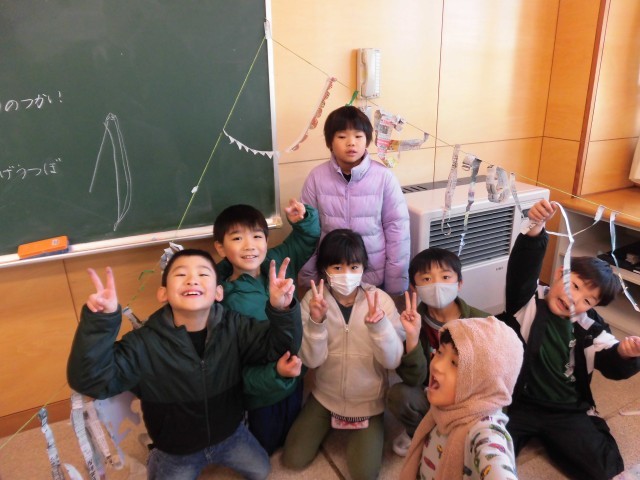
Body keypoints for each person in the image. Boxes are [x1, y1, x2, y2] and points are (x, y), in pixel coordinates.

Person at [67, 249, 302, 480]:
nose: (192, 280)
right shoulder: (144, 343)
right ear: (163, 294)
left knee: (262, 470)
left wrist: (281, 309)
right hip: (176, 450)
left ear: (218, 292)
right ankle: (155, 454)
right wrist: (100, 322)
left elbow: (280, 347)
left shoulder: (235, 327)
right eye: (181, 274)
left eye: (203, 274)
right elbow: (91, 381)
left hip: (231, 434)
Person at [500, 199, 640, 480]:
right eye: (573, 285)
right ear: (559, 274)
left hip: (565, 409)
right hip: (517, 403)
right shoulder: (527, 302)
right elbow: (523, 270)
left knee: (604, 468)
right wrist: (536, 228)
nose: (575, 299)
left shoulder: (591, 327)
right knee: (486, 456)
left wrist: (625, 354)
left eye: (587, 300)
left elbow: (610, 360)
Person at [282, 229, 405, 480]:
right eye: (337, 267)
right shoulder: (313, 300)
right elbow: (311, 361)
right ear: (325, 270)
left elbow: (393, 360)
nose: (346, 274)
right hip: (325, 397)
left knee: (364, 475)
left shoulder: (380, 300)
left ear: (363, 267)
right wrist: (316, 322)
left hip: (368, 402)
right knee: (293, 459)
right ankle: (327, 420)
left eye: (353, 266)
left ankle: (370, 429)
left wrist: (380, 327)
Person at [212, 199, 320, 455]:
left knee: (291, 435)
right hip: (261, 392)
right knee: (265, 448)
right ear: (220, 247)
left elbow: (305, 239)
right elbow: (235, 365)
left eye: (257, 236)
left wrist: (304, 219)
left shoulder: (276, 262)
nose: (249, 245)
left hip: (294, 377)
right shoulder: (223, 296)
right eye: (237, 238)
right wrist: (275, 373)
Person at [298, 105, 410, 297]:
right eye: (342, 137)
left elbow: (398, 231)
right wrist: (309, 283)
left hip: (374, 279)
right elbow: (307, 234)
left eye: (358, 136)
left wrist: (395, 285)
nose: (351, 143)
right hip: (331, 278)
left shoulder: (384, 177)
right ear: (330, 142)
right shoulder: (316, 177)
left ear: (367, 140)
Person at [387, 247, 489, 457]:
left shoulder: (481, 322)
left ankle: (458, 435)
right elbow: (414, 379)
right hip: (431, 394)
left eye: (445, 277)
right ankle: (420, 434)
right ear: (414, 287)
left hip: (467, 400)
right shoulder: (409, 323)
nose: (437, 285)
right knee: (399, 395)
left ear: (459, 283)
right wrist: (412, 337)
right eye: (426, 279)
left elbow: (495, 378)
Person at [400, 316, 524, 480]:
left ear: (482, 382)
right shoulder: (443, 411)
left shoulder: (484, 430)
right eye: (440, 352)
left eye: (454, 363)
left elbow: (495, 461)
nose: (437, 365)